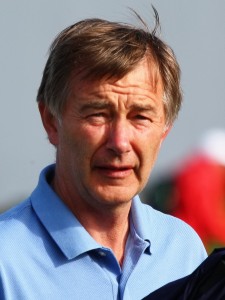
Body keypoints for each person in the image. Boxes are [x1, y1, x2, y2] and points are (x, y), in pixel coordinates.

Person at [0, 9, 207, 300]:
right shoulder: (5, 261)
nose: (120, 142)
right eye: (98, 114)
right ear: (51, 121)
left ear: (164, 129)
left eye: (140, 117)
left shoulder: (183, 250)